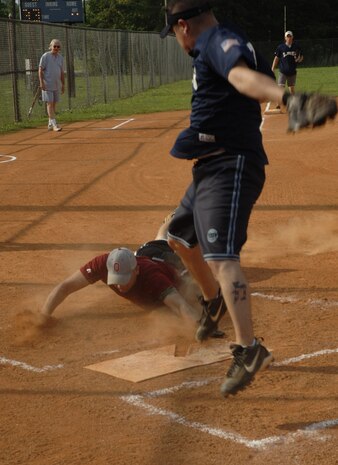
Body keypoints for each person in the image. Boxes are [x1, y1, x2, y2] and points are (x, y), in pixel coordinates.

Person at [159, 1, 318, 397]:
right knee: (178, 236)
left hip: (231, 165)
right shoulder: (227, 38)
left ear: (183, 26)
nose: (179, 41)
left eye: (175, 34)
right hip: (210, 166)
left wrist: (288, 99)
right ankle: (213, 302)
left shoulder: (218, 40)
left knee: (221, 257)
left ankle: (249, 349)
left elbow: (245, 79)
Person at [38, 216, 226, 337]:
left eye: (124, 278)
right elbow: (65, 287)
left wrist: (202, 327)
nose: (119, 286)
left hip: (172, 264)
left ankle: (192, 219)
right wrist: (44, 314)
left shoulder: (153, 279)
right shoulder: (104, 263)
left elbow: (180, 306)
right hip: (147, 253)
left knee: (201, 277)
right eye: (116, 278)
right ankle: (173, 219)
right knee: (160, 238)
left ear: (135, 271)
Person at [271, 30, 303, 108]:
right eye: (287, 36)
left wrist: (300, 59)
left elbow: (301, 56)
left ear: (292, 37)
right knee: (281, 88)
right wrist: (273, 68)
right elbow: (276, 58)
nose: (289, 38)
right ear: (285, 38)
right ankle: (278, 104)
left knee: (291, 89)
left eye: (290, 36)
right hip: (283, 71)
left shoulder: (296, 46)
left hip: (292, 71)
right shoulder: (280, 47)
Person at [39, 39, 65, 132]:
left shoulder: (60, 58)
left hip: (56, 84)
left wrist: (63, 84)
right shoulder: (46, 56)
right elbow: (40, 70)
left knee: (53, 104)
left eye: (58, 47)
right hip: (47, 84)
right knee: (49, 103)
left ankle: (50, 123)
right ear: (50, 46)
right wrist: (41, 82)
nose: (56, 48)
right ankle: (54, 125)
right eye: (54, 46)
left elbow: (61, 72)